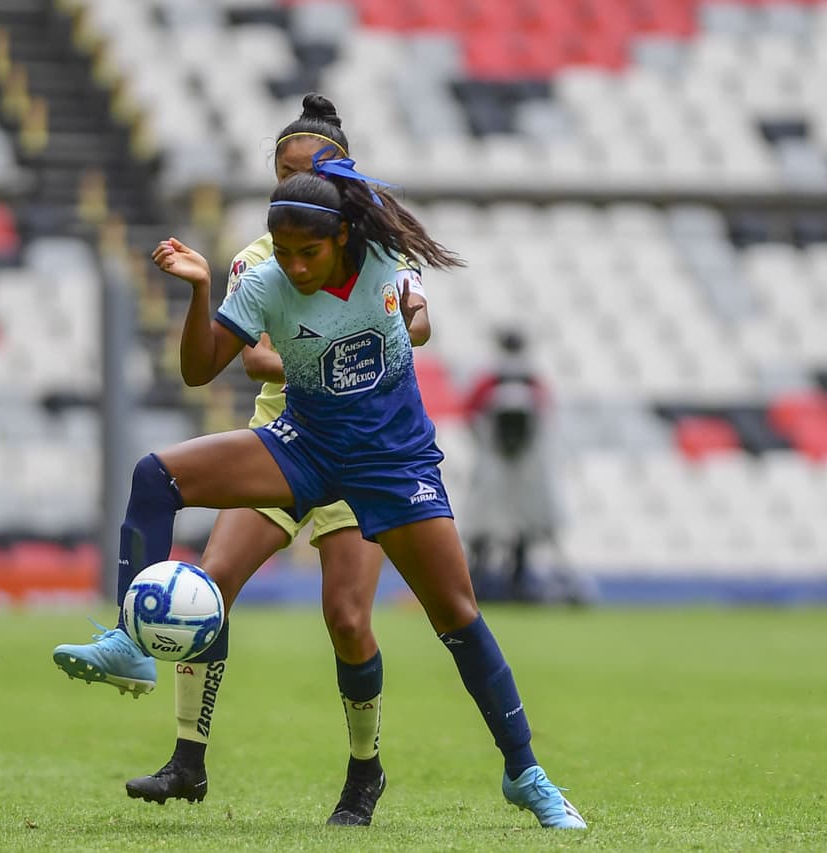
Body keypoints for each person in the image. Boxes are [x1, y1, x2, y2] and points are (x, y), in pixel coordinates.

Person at [58, 155, 586, 829]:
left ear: (342, 238)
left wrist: (414, 314)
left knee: (456, 613)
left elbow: (416, 309)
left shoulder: (385, 261)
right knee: (155, 474)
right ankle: (135, 642)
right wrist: (197, 291)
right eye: (284, 251)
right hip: (302, 446)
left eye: (309, 252)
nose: (296, 266)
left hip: (393, 462)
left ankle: (525, 773)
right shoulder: (266, 281)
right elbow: (198, 368)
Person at [55, 95, 429, 827]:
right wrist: (315, 355)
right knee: (206, 588)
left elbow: (410, 325)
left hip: (359, 452)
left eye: (305, 172)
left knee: (348, 618)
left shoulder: (374, 246)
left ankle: (364, 774)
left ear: (341, 183)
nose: (288, 186)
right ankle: (187, 760)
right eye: (280, 172)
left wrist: (375, 333)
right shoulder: (259, 259)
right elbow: (249, 358)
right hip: (283, 441)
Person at [461, 329, 581, 603]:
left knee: (493, 525)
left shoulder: (491, 381)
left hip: (501, 463)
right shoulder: (531, 382)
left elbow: (471, 415)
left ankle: (482, 582)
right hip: (514, 464)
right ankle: (509, 581)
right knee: (510, 526)